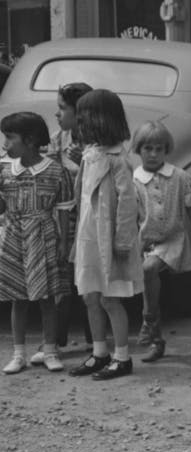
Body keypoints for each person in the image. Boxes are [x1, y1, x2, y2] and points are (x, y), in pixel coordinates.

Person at [68, 90, 144, 381]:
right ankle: (99, 352)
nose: (80, 121)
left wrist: (123, 241)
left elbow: (127, 204)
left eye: (84, 116)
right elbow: (84, 196)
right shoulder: (91, 155)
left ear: (100, 119)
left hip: (108, 239)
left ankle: (122, 357)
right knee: (90, 295)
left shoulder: (117, 160)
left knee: (111, 299)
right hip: (88, 236)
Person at [0, 112, 74, 374]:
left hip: (44, 237)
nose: (5, 143)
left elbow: (64, 210)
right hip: (13, 238)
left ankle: (50, 350)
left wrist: (65, 243)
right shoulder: (4, 169)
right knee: (17, 298)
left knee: (47, 297)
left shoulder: (56, 171)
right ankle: (18, 353)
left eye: (10, 138)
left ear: (30, 140)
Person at [132, 121, 191, 363]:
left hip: (174, 239)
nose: (153, 154)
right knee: (148, 279)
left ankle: (147, 317)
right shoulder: (134, 180)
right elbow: (132, 216)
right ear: (138, 149)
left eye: (158, 149)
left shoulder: (179, 177)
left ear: (166, 150)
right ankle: (157, 340)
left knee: (149, 270)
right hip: (146, 241)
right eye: (147, 148)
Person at [48, 82, 93, 349]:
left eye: (63, 108)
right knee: (62, 278)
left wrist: (82, 163)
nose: (58, 114)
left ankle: (93, 338)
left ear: (81, 113)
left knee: (87, 278)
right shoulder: (57, 140)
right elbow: (53, 178)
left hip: (88, 216)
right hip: (64, 218)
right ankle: (56, 339)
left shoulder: (96, 142)